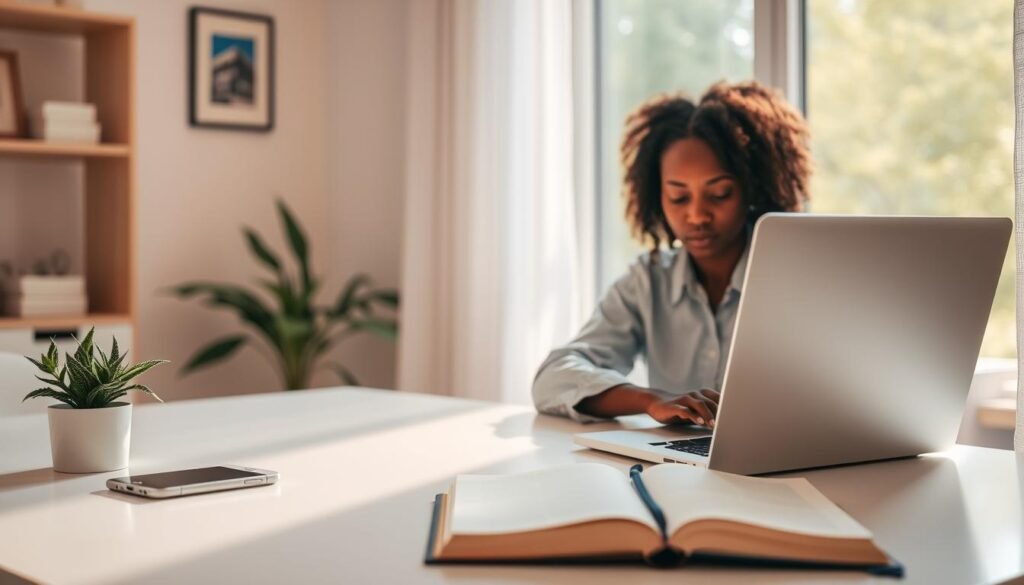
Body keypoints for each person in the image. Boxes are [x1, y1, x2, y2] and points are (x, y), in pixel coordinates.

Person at [532, 81, 811, 426]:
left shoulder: (796, 278)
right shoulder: (648, 282)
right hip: (677, 470)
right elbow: (553, 377)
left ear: (751, 189)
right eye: (679, 197)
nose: (697, 216)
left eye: (720, 194)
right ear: (657, 198)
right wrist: (650, 399)